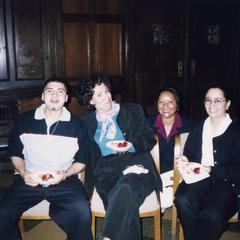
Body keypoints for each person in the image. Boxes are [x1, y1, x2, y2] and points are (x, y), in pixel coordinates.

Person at [0, 77, 92, 240]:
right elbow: (15, 153)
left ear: (66, 98)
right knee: (3, 211)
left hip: (64, 179)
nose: (54, 96)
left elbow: (82, 160)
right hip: (29, 177)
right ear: (43, 96)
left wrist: (65, 174)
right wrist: (23, 173)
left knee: (82, 209)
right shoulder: (24, 121)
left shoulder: (77, 125)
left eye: (60, 92)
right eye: (50, 91)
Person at [79, 74, 162, 240]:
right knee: (122, 205)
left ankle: (107, 236)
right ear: (91, 101)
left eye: (107, 91)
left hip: (137, 166)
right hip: (105, 172)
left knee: (124, 188)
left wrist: (131, 146)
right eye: (99, 94)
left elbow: (148, 139)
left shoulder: (133, 110)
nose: (107, 97)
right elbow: (82, 152)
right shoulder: (85, 122)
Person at [175, 84, 240, 240]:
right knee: (182, 199)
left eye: (218, 100)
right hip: (199, 178)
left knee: (212, 214)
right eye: (208, 100)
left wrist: (213, 169)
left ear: (228, 104)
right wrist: (185, 159)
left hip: (227, 182)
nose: (212, 105)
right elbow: (189, 154)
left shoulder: (236, 131)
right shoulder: (198, 127)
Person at [148, 87, 193, 212]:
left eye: (170, 101)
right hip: (154, 172)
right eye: (161, 102)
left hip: (179, 173)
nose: (165, 106)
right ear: (157, 105)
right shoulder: (147, 125)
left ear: (177, 105)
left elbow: (193, 154)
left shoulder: (189, 126)